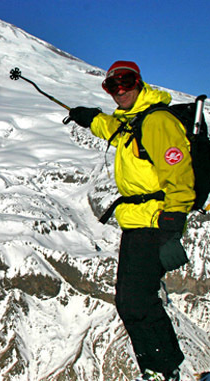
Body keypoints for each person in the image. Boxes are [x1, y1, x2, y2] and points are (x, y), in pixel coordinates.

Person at [66, 61, 194, 381]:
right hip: (137, 222)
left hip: (154, 222)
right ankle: (159, 368)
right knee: (131, 298)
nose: (120, 90)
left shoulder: (157, 122)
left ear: (139, 81)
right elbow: (109, 127)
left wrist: (170, 229)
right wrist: (91, 117)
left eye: (126, 81)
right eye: (112, 85)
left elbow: (180, 175)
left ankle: (163, 370)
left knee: (135, 299)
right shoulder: (131, 122)